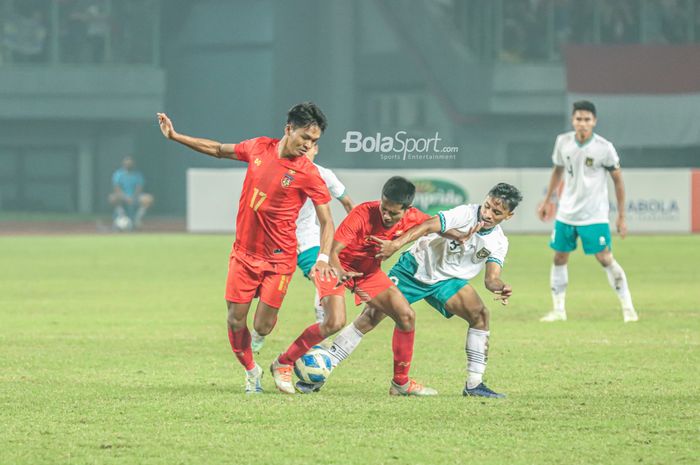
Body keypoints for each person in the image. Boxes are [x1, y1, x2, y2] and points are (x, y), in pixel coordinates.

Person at [157, 102, 337, 394]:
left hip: (279, 259)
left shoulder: (308, 174)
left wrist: (324, 258)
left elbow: (327, 222)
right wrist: (176, 136)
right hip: (244, 254)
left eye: (315, 141)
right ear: (288, 129)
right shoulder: (258, 148)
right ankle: (251, 371)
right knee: (234, 318)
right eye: (305, 137)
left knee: (263, 325)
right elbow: (217, 149)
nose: (308, 145)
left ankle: (263, 339)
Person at [298, 183, 522, 399]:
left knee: (480, 314)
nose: (488, 214)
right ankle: (320, 373)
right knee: (370, 318)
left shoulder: (499, 242)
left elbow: (491, 278)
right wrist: (396, 245)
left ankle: (474, 384)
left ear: (508, 216)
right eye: (487, 206)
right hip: (414, 268)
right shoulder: (465, 213)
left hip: (448, 281)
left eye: (497, 212)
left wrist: (500, 286)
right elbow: (427, 225)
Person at [269, 176, 438, 396]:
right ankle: (283, 362)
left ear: (408, 210)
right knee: (334, 322)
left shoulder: (414, 217)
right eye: (384, 208)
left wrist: (461, 233)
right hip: (333, 265)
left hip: (367, 273)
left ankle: (400, 383)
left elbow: (435, 224)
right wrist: (338, 270)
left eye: (393, 213)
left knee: (406, 316)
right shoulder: (363, 213)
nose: (386, 215)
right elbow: (333, 250)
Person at [537, 100, 638, 323]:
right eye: (578, 119)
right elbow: (558, 170)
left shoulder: (604, 147)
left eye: (587, 119)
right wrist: (547, 201)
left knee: (605, 258)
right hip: (566, 213)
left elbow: (618, 182)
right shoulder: (562, 142)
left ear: (594, 121)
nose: (582, 123)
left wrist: (621, 216)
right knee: (559, 257)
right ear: (573, 120)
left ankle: (628, 308)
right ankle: (559, 311)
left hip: (594, 215)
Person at [250, 144, 354, 352]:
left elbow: (347, 202)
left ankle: (322, 324)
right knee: (263, 315)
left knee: (326, 276)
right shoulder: (279, 171)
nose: (305, 151)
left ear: (316, 148)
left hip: (307, 241)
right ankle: (259, 332)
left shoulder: (324, 175)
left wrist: (357, 232)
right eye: (301, 146)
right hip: (273, 242)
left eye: (310, 146)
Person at [109, 156, 154, 230]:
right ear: (123, 163)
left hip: (135, 197)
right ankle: (121, 216)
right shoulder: (118, 174)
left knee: (148, 199)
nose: (128, 164)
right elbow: (117, 188)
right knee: (112, 198)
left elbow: (139, 188)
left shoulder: (137, 175)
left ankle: (137, 219)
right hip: (122, 197)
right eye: (127, 162)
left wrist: (133, 197)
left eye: (130, 163)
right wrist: (126, 197)